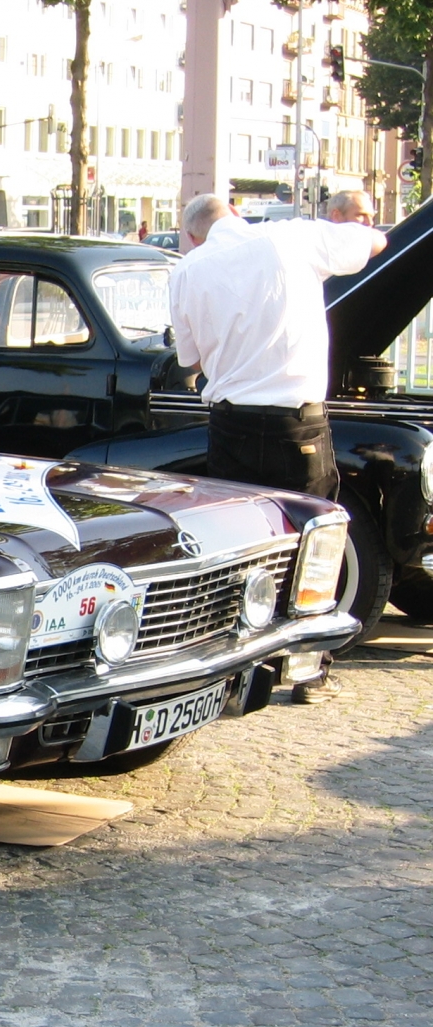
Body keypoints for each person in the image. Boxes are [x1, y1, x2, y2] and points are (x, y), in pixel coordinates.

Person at [169, 193, 386, 703]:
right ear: (234, 215)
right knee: (314, 541)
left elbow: (189, 356)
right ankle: (307, 669)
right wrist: (361, 227)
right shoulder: (291, 236)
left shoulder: (190, 269)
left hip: (232, 424)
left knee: (239, 546)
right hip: (299, 424)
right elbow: (370, 241)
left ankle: (235, 673)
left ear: (193, 235)